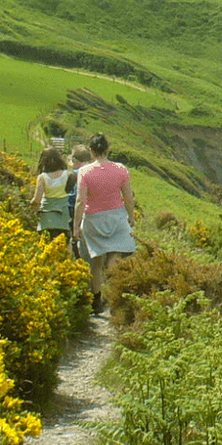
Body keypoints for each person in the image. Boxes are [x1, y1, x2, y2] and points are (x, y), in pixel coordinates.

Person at [72, 133, 135, 315]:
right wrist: (131, 218)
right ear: (108, 149)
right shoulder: (121, 169)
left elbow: (80, 202)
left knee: (96, 262)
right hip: (116, 218)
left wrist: (76, 227)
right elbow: (128, 197)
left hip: (93, 219)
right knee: (115, 256)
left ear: (91, 151)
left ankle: (96, 301)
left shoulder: (84, 172)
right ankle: (115, 298)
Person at [29, 147, 74, 246]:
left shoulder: (42, 177)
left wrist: (31, 206)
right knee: (65, 246)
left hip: (47, 218)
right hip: (63, 216)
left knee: (46, 247)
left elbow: (37, 199)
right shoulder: (68, 175)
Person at [66, 145, 93, 261]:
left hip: (73, 208)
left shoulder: (74, 174)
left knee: (74, 236)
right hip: (91, 209)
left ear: (75, 161)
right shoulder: (93, 171)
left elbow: (69, 195)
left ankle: (77, 260)